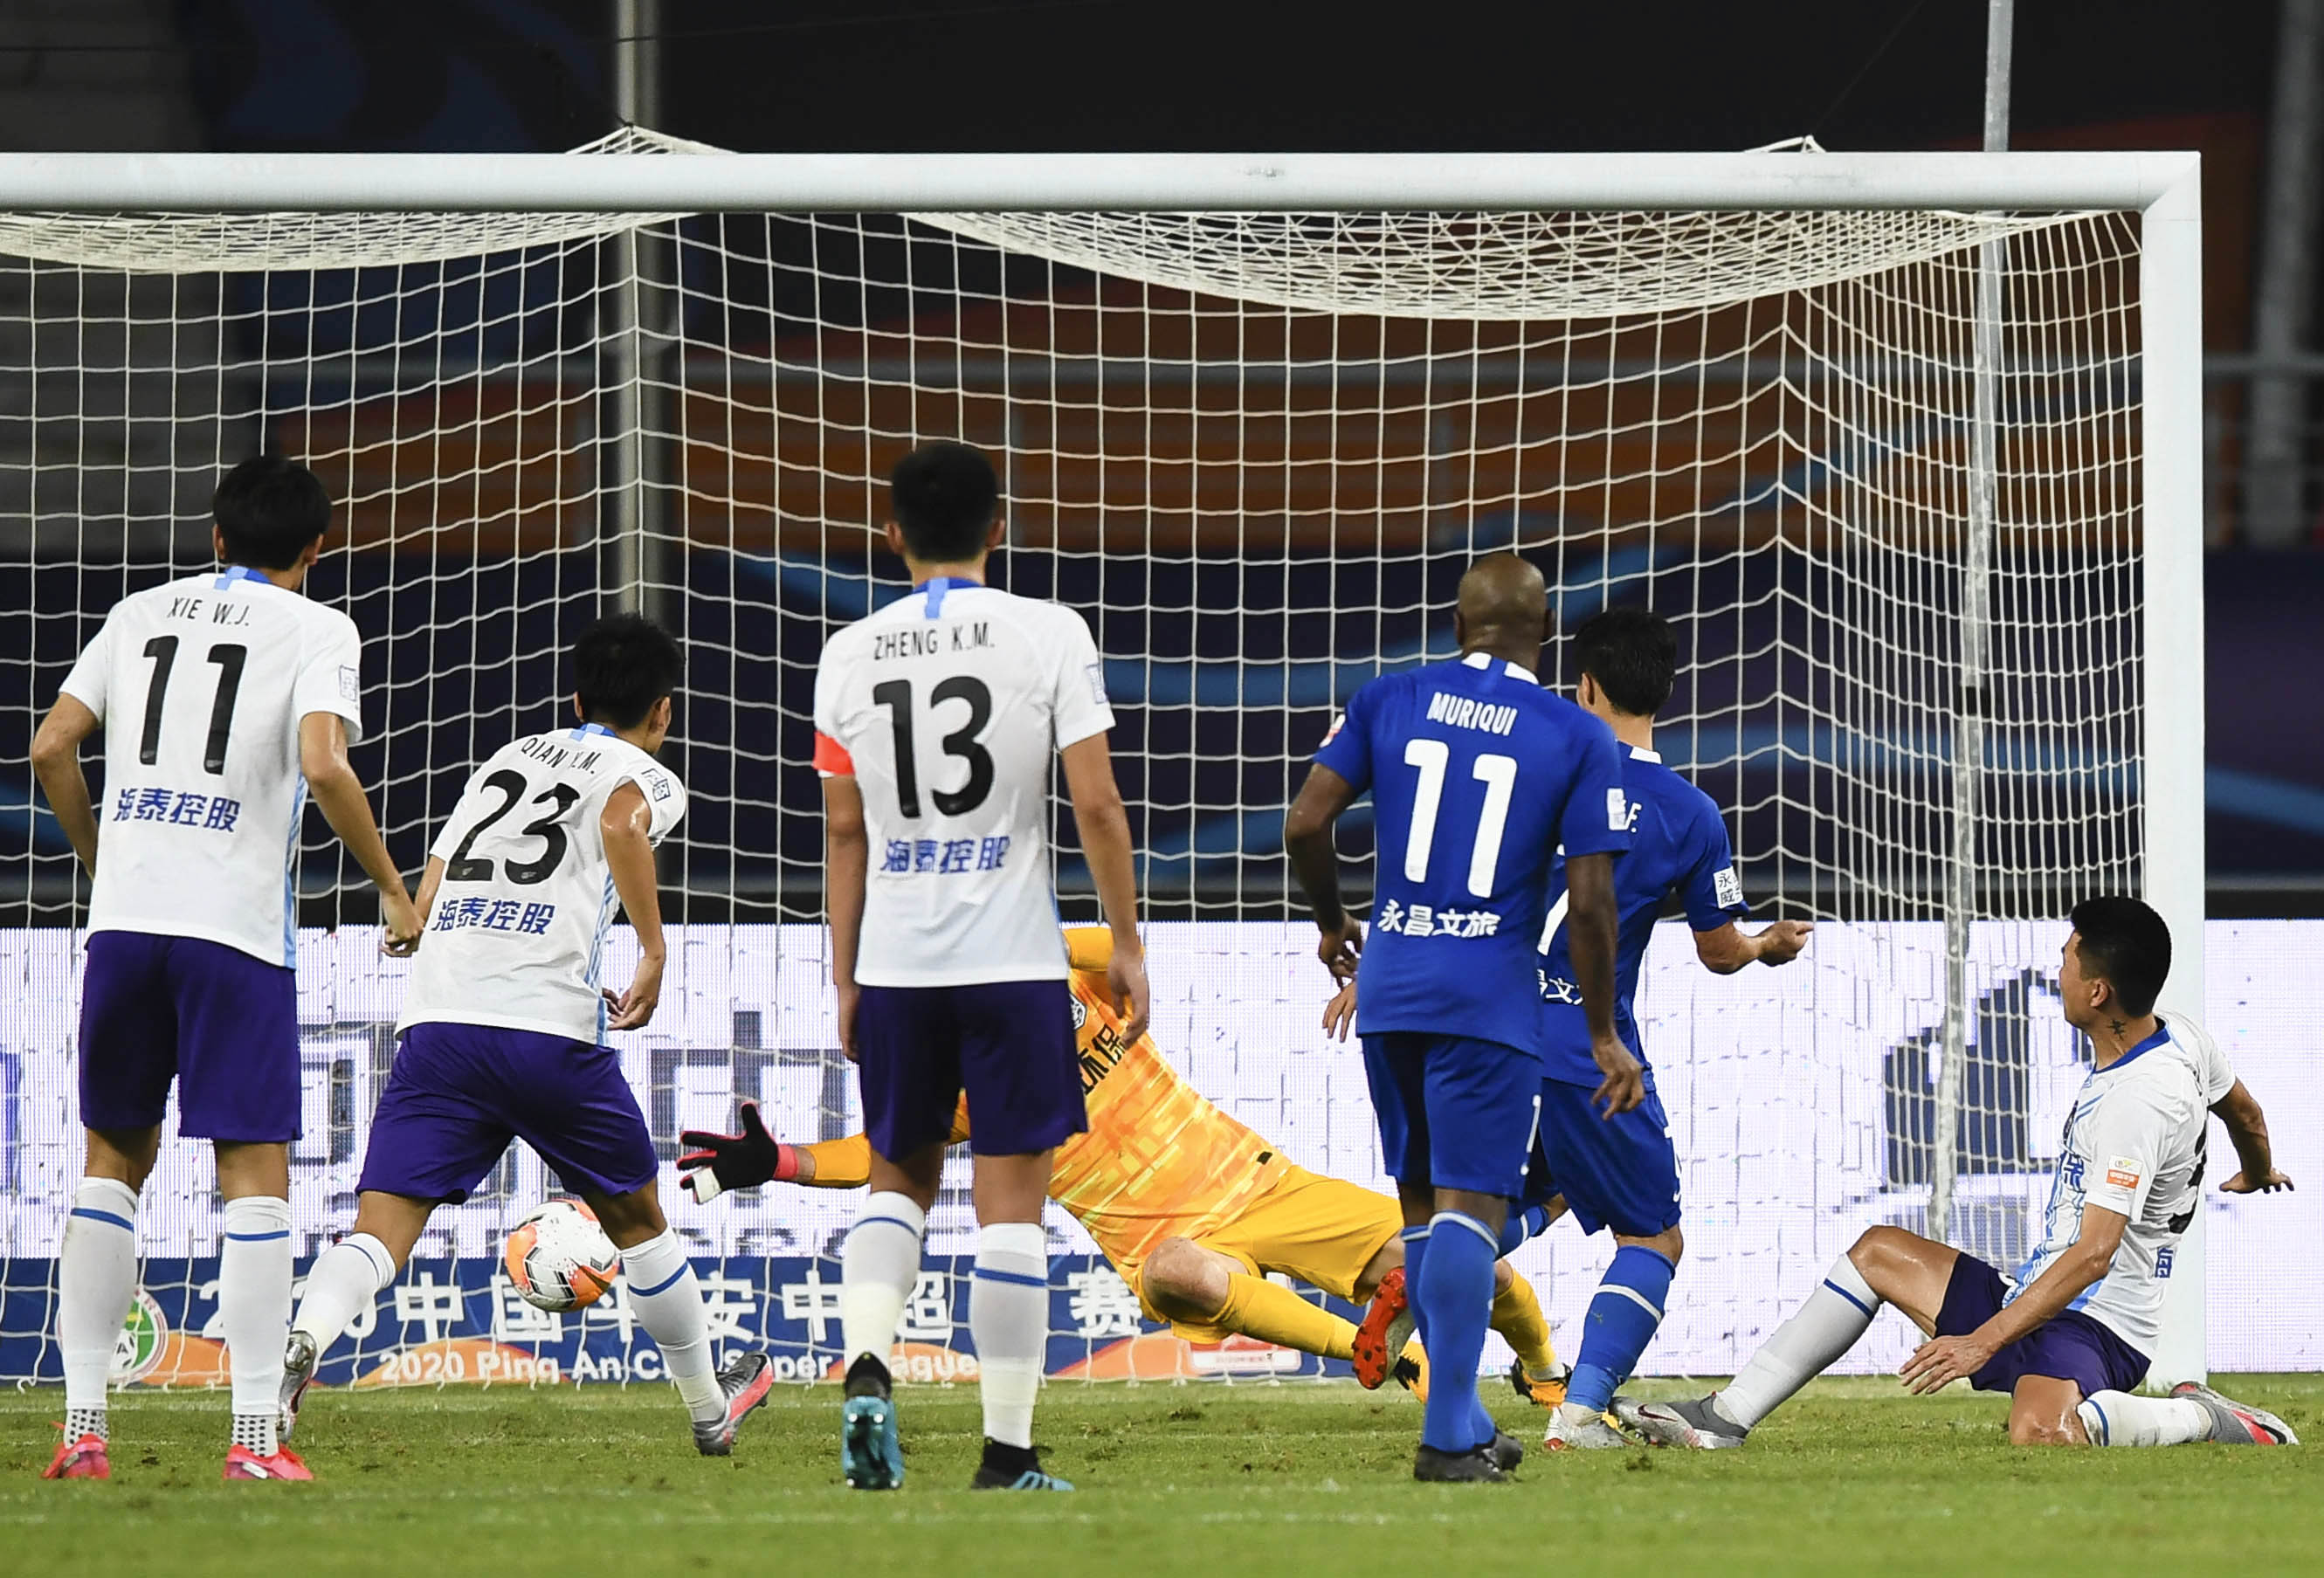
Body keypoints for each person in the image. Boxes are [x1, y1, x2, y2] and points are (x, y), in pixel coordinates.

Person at [279, 615, 776, 1457]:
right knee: (640, 1222)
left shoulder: (505, 759)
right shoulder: (646, 774)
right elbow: (621, 824)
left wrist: (410, 921)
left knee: (380, 1227)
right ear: (663, 711)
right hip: (546, 1030)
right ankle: (707, 1406)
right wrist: (654, 951)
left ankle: (302, 1343)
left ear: (576, 699)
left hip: (441, 1023)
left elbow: (431, 889)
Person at [679, 927, 1567, 1393]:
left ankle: (1544, 1373)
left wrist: (1032, 944)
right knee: (1181, 1273)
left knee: (1470, 1265)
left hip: (1262, 1183)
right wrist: (779, 1159)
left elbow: (1118, 948)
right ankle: (1379, 1353)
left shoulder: (1080, 985)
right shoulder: (967, 1081)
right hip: (1164, 1242)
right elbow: (881, 1155)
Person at [31, 456, 422, 1482]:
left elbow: (51, 747)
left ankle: (82, 1430)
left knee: (110, 1163)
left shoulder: (136, 612)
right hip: (233, 933)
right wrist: (391, 886)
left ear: (215, 537)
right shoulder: (319, 627)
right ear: (316, 548)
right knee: (252, 1178)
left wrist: (105, 861)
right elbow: (326, 762)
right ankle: (252, 1439)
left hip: (125, 928)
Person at [1623, 896, 2299, 1451]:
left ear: (2098, 990)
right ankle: (1725, 1417)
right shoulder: (2181, 1036)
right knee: (1877, 1252)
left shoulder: (2135, 1101)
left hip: (2096, 1325)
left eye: (2067, 959)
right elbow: (2245, 1112)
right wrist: (2256, 1169)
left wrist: (1980, 1341)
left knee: (2041, 1435)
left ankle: (2200, 1417)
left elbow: (2095, 1254)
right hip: (2038, 1293)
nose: (2058, 970)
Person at [811, 440, 1149, 1493]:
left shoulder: (846, 653)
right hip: (1012, 961)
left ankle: (869, 1364)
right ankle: (1007, 1452)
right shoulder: (1049, 631)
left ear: (892, 534)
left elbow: (843, 833)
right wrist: (1128, 941)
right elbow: (1096, 804)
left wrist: (845, 976)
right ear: (999, 528)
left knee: (897, 1181)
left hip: (898, 962)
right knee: (1012, 1207)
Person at [1283, 554, 1634, 1483]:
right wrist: (1602, 1033)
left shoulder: (1388, 698)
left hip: (1391, 991)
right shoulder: (1575, 734)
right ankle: (1445, 1441)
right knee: (1474, 1212)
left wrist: (1332, 924)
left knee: (1424, 1215)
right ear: (1547, 635)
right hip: (1486, 999)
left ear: (1455, 625)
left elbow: (1305, 823)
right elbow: (1591, 903)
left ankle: (1467, 1417)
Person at [1529, 607, 1810, 1448]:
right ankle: (1580, 1411)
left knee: (1523, 1197)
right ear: (1665, 691)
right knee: (1652, 1235)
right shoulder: (1688, 812)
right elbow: (1718, 952)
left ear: (1582, 685)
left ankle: (1411, 1274)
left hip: (1484, 1031)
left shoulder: (1532, 775)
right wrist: (1765, 947)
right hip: (1586, 1045)